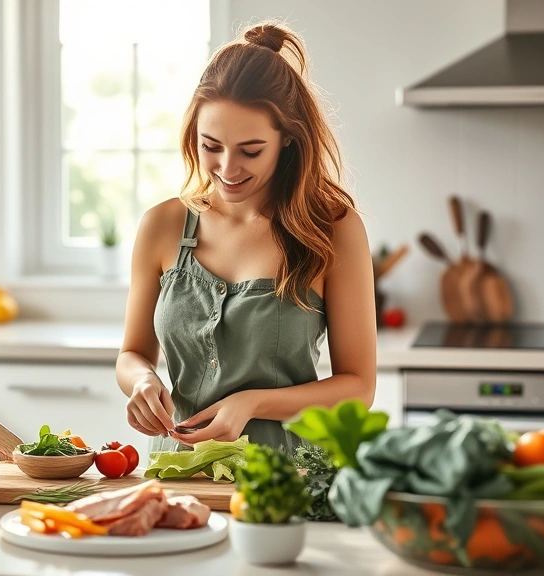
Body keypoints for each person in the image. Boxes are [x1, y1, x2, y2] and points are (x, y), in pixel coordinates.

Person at [116, 21, 376, 452]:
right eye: (210, 146)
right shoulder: (161, 226)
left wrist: (253, 403)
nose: (227, 169)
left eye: (250, 150)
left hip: (287, 478)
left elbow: (358, 388)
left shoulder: (332, 229)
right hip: (181, 474)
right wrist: (141, 380)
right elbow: (132, 354)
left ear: (288, 138)